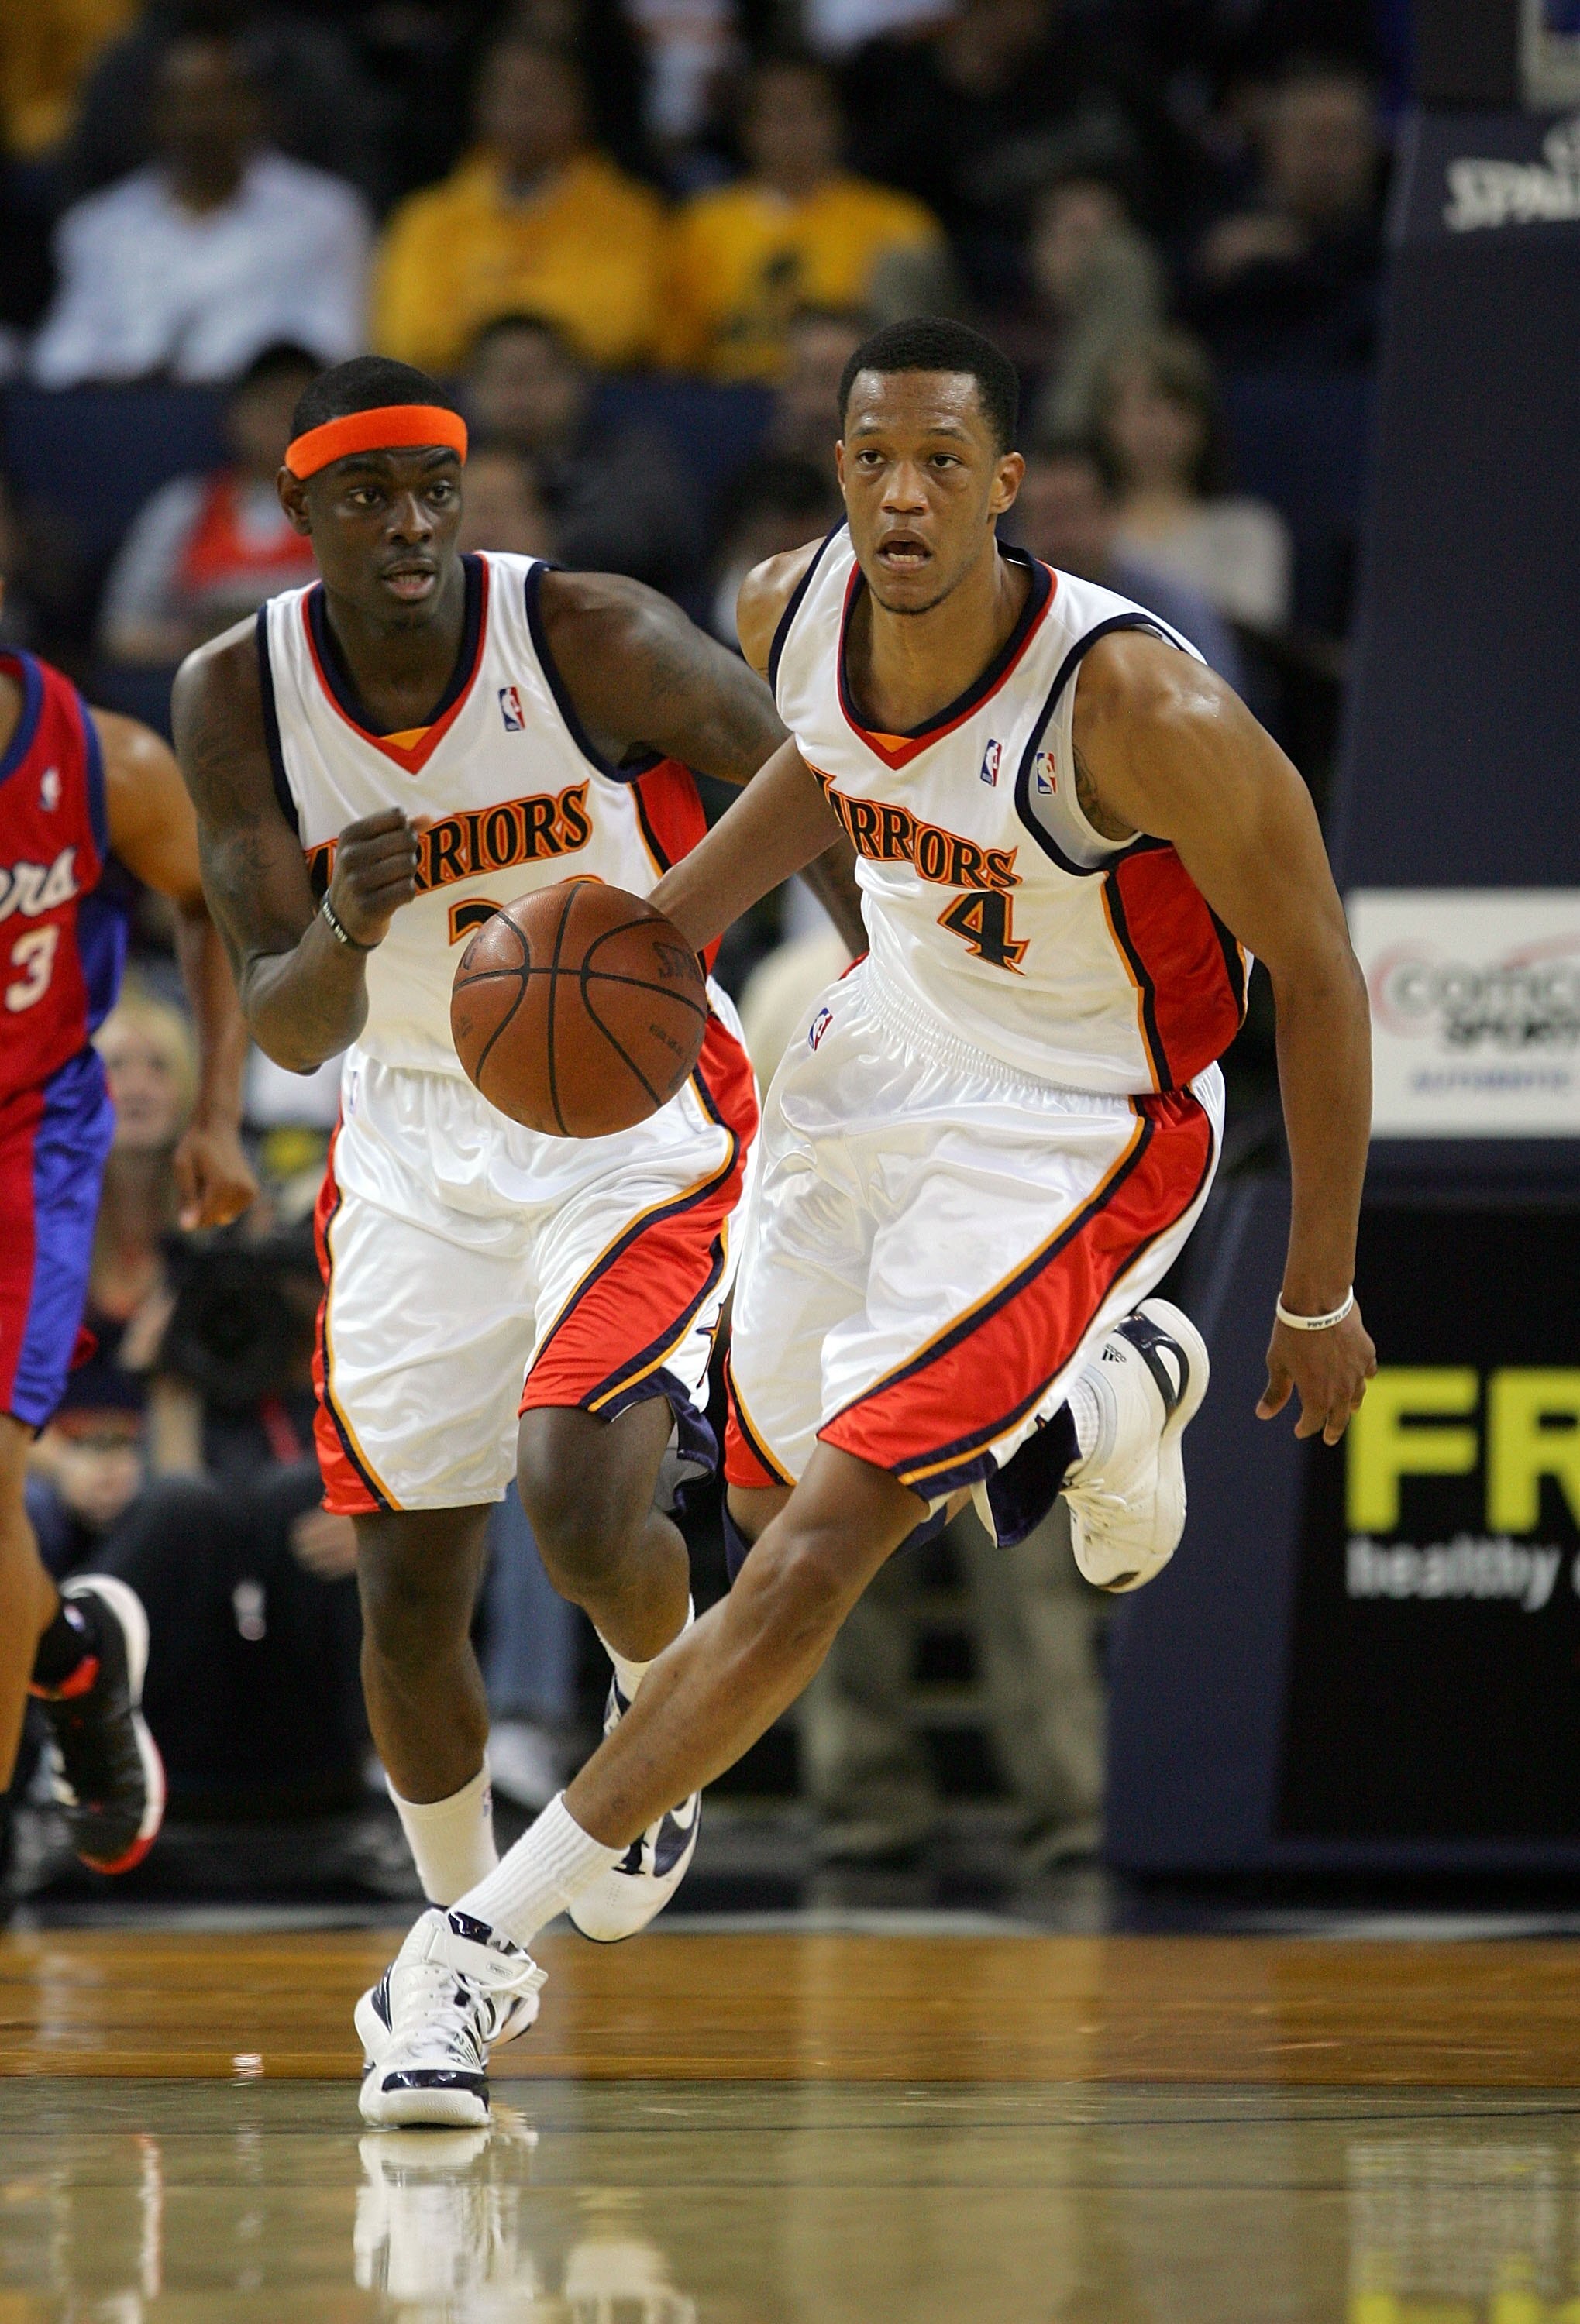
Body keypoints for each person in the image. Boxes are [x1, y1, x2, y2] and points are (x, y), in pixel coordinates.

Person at [355, 315, 1376, 2126]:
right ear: (839, 473)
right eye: (871, 458)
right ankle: (1103, 1397)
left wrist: (1315, 1292)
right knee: (756, 1509)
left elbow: (1315, 967)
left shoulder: (1139, 708)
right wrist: (660, 923)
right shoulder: (782, 608)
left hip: (1076, 1120)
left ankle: (467, 1954)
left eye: (940, 463)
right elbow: (827, 765)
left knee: (822, 1543)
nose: (902, 493)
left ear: (1008, 485)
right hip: (873, 1041)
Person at [170, 358, 864, 1992]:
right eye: (367, 496)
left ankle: (654, 1701)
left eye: (432, 487)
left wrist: (870, 973)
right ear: (299, 515)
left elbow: (814, 773)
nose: (408, 523)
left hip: (625, 1116)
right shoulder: (234, 696)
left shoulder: (585, 633)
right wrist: (343, 920)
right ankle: (460, 1946)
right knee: (410, 1600)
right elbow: (282, 1026)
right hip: (408, 1129)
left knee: (573, 1487)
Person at [0, 582, 255, 1879]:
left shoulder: (103, 758)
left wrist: (215, 1110)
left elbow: (205, 898)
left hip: (28, 1150)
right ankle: (75, 1665)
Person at [29, 29, 370, 387]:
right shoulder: (99, 225)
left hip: (262, 423)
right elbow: (57, 361)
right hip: (127, 422)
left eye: (216, 99)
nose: (199, 120)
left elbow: (337, 348)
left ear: (255, 108)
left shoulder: (326, 214)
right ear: (155, 116)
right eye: (182, 102)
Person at [371, 37, 667, 377]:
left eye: (541, 97)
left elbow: (621, 331)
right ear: (480, 106)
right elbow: (407, 336)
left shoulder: (631, 216)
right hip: (454, 400)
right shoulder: (426, 219)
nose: (524, 113)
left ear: (579, 108)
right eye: (510, 96)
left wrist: (488, 309)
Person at [660, 52, 945, 385]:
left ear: (840, 121)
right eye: (781, 113)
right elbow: (675, 356)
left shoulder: (897, 220)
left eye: (814, 111)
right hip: (733, 403)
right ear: (748, 129)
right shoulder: (701, 225)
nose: (798, 129)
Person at [99, 342, 322, 671]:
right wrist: (206, 644)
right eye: (271, 408)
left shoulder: (347, 512)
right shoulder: (183, 507)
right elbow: (120, 633)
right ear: (236, 416)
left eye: (297, 410)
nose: (283, 425)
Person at [461, 313, 697, 591]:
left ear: (577, 381)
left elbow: (663, 541)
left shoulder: (629, 455)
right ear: (470, 389)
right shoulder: (446, 465)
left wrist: (542, 545)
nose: (521, 394)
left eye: (537, 376)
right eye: (503, 377)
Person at [1183, 56, 1383, 371]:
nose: (1326, 159)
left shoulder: (1397, 241)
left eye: (1343, 139)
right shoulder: (1217, 217)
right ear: (1274, 142)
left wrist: (1297, 248)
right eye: (1312, 138)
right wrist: (1211, 265)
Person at [1094, 331, 1292, 632]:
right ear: (1107, 421)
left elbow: (1248, 639)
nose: (1156, 428)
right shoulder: (1079, 534)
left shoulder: (1247, 530)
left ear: (1203, 422)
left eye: (1175, 410)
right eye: (1140, 409)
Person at [1011, 438, 1244, 691]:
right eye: (1046, 519)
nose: (1062, 537)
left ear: (1110, 514)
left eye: (1072, 515)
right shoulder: (1002, 608)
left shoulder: (1171, 608)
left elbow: (1219, 703)